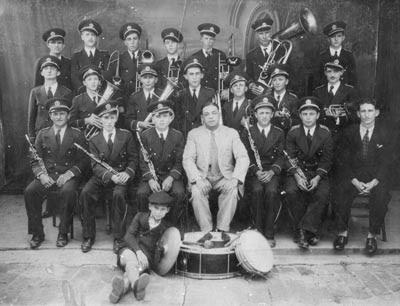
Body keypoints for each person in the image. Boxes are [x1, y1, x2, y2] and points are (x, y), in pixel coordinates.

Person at [24, 98, 88, 249]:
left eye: (63, 114)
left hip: (68, 176)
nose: (59, 117)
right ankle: (37, 233)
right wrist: (41, 175)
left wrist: (68, 175)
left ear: (68, 116)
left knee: (68, 192)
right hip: (48, 175)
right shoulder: (42, 134)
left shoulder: (77, 134)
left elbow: (84, 161)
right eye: (55, 114)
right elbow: (34, 160)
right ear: (50, 116)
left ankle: (63, 233)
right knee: (30, 191)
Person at [332, 98, 392, 255]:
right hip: (353, 176)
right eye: (363, 111)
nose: (367, 115)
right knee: (340, 192)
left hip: (375, 178)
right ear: (358, 114)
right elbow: (342, 160)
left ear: (376, 113)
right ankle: (342, 233)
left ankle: (372, 236)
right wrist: (354, 181)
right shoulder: (348, 132)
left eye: (370, 111)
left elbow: (387, 162)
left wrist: (374, 182)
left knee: (382, 196)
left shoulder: (385, 133)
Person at [79, 101, 138, 253]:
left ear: (116, 118)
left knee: (118, 195)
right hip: (103, 176)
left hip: (122, 175)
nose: (109, 121)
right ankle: (88, 236)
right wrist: (110, 176)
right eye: (105, 118)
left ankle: (119, 238)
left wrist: (127, 173)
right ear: (101, 120)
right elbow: (95, 165)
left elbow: (133, 159)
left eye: (112, 117)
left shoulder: (126, 135)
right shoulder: (93, 139)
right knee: (86, 192)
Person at [183, 102, 249, 233]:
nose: (211, 117)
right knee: (196, 192)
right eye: (206, 114)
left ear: (219, 115)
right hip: (203, 176)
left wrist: (235, 179)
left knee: (232, 190)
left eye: (214, 113)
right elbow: (188, 159)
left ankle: (222, 229)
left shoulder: (231, 133)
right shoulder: (194, 134)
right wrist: (197, 180)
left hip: (224, 176)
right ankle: (206, 230)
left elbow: (243, 157)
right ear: (202, 118)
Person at [109, 191, 177, 303]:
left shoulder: (166, 227)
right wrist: (139, 252)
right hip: (129, 249)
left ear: (167, 210)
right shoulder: (140, 216)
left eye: (163, 209)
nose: (159, 212)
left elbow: (174, 240)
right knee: (131, 259)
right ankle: (137, 284)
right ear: (150, 206)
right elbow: (128, 236)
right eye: (156, 208)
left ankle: (120, 290)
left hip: (146, 258)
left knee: (131, 272)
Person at [285, 97, 333, 249]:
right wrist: (298, 177)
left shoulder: (325, 133)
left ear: (318, 115)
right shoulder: (293, 132)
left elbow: (327, 159)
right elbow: (289, 158)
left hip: (318, 172)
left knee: (322, 193)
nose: (308, 117)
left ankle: (304, 231)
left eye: (311, 114)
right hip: (298, 171)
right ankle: (307, 232)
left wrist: (318, 178)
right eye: (304, 114)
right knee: (292, 191)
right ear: (300, 115)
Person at [241, 96, 284, 247]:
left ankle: (269, 233)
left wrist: (272, 171)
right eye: (261, 113)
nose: (264, 116)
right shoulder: (248, 132)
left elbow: (281, 157)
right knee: (257, 190)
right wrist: (255, 171)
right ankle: (258, 231)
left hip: (271, 172)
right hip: (255, 172)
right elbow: (245, 155)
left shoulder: (278, 132)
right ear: (255, 115)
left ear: (272, 114)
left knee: (272, 192)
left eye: (267, 113)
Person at [136, 100, 185, 226]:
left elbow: (179, 161)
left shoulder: (178, 135)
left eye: (165, 116)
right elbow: (143, 161)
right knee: (142, 193)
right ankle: (144, 226)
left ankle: (173, 226)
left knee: (179, 193)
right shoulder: (145, 135)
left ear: (170, 118)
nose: (162, 120)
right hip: (152, 175)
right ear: (153, 118)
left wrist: (171, 177)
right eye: (158, 116)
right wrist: (151, 179)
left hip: (170, 175)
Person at [28, 55, 72, 142]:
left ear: (58, 72)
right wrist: (32, 136)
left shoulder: (66, 92)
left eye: (52, 68)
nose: (49, 71)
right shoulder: (35, 92)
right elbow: (31, 116)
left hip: (61, 134)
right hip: (40, 135)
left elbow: (70, 116)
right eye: (46, 68)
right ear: (41, 73)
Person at [313, 60, 358, 139]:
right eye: (329, 71)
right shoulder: (318, 91)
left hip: (342, 135)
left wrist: (338, 119)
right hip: (321, 135)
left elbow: (354, 116)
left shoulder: (350, 91)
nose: (332, 75)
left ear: (341, 73)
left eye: (336, 71)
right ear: (325, 73)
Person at [173, 58, 215, 138]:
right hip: (186, 137)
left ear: (202, 75)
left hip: (205, 136)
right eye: (191, 74)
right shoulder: (180, 95)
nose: (194, 77)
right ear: (185, 76)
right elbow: (177, 121)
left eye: (197, 74)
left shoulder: (210, 93)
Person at [246, 16, 286, 97]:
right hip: (260, 94)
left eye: (267, 32)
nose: (264, 36)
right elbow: (248, 76)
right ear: (257, 35)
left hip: (278, 93)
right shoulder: (251, 55)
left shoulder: (281, 50)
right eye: (261, 34)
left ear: (270, 33)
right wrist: (251, 85)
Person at [71, 19, 110, 93]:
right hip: (82, 94)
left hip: (101, 94)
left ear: (96, 38)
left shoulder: (104, 56)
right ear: (82, 37)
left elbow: (107, 76)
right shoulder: (76, 57)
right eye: (87, 34)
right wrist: (86, 92)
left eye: (93, 35)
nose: (90, 38)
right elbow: (74, 79)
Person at [316, 21, 357, 87]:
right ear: (328, 39)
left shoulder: (349, 56)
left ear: (343, 38)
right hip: (325, 94)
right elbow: (317, 81)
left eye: (339, 36)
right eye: (333, 37)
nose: (336, 39)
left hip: (344, 94)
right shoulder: (321, 57)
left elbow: (353, 80)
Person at [189, 23, 226, 91]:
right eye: (206, 38)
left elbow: (228, 75)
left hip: (218, 93)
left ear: (214, 40)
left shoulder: (221, 55)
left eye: (211, 39)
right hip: (201, 95)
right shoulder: (194, 57)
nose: (209, 41)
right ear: (201, 39)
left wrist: (227, 90)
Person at [125, 65, 162, 132]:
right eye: (145, 78)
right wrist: (140, 124)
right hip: (140, 135)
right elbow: (128, 120)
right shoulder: (134, 97)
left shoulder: (162, 95)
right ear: (140, 79)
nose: (148, 81)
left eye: (151, 78)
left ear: (156, 80)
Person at [69, 66, 103, 133]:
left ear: (99, 81)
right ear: (84, 83)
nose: (93, 82)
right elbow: (70, 122)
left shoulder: (105, 97)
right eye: (89, 79)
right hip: (84, 136)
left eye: (95, 79)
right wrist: (86, 120)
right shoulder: (77, 100)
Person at [268, 64, 299, 133]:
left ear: (286, 81)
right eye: (274, 80)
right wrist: (273, 114)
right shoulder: (267, 98)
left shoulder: (293, 98)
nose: (277, 83)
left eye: (280, 79)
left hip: (286, 135)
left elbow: (298, 120)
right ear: (272, 82)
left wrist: (288, 119)